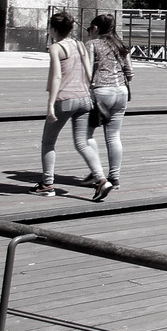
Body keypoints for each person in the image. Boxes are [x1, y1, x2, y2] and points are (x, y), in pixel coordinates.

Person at [31, 11, 103, 196]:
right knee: (82, 142)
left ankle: (47, 185)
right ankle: (101, 179)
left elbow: (56, 76)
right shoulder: (80, 45)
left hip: (65, 99)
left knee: (48, 142)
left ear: (54, 29)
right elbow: (89, 73)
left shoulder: (56, 48)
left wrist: (50, 105)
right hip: (84, 98)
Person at [84, 14, 133, 202]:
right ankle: (114, 177)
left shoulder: (92, 44)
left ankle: (97, 174)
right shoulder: (121, 45)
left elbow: (88, 72)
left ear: (96, 28)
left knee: (86, 136)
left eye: (91, 28)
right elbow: (130, 72)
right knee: (114, 136)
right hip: (121, 92)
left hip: (100, 92)